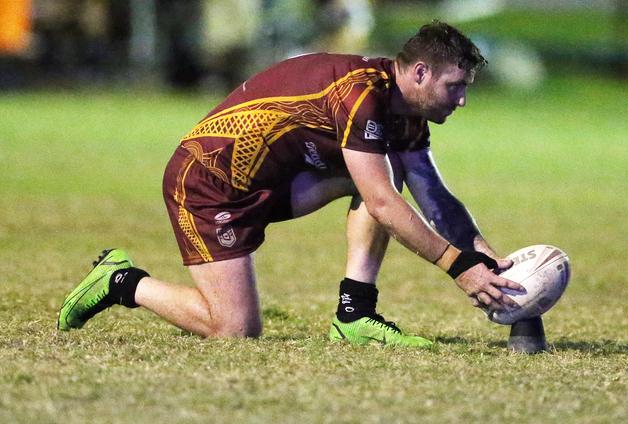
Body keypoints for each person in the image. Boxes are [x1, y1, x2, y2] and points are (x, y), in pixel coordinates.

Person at [58, 20, 523, 347]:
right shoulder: (361, 95)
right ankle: (121, 280)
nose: (461, 101)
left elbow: (435, 196)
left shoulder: (405, 112)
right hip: (208, 181)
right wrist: (457, 267)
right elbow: (382, 203)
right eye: (455, 86)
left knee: (390, 172)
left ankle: (355, 314)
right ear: (420, 73)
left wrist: (480, 252)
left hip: (275, 180)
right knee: (234, 330)